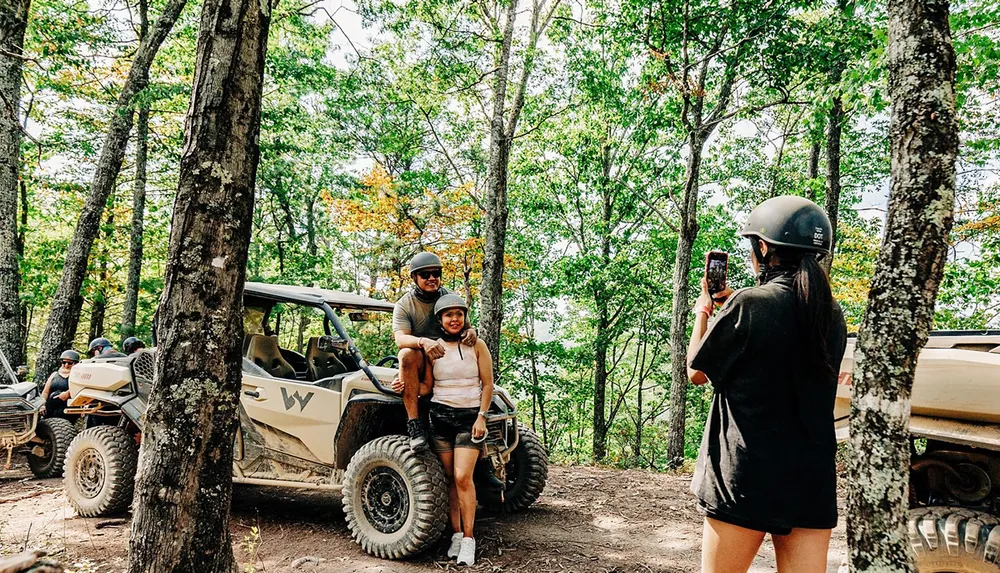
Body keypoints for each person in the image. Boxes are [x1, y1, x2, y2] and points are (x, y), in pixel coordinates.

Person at [686, 195, 848, 573]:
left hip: (747, 478)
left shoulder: (749, 305)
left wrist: (704, 311)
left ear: (763, 247)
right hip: (810, 479)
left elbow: (696, 371)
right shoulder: (831, 314)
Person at [412, 294, 493, 567]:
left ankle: (469, 540)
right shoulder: (433, 349)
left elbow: (488, 385)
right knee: (449, 478)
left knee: (462, 477)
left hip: (469, 418)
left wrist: (481, 418)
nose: (455, 319)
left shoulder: (476, 344)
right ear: (440, 320)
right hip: (440, 417)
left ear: (465, 317)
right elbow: (427, 387)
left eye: (459, 314)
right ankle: (456, 535)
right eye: (449, 315)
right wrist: (406, 387)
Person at [392, 251, 476, 452]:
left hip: (449, 360)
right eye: (425, 275)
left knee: (476, 349)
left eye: (436, 273)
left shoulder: (449, 298)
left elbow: (465, 326)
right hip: (422, 360)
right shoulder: (405, 305)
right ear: (414, 278)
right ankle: (415, 426)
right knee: (406, 354)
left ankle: (482, 453)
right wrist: (423, 342)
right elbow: (400, 339)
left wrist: (472, 331)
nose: (432, 278)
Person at [41, 350, 80, 420]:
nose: (66, 365)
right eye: (64, 362)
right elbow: (45, 392)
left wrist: (67, 393)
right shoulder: (54, 375)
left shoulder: (78, 375)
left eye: (70, 363)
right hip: (51, 410)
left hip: (68, 411)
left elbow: (80, 390)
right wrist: (42, 404)